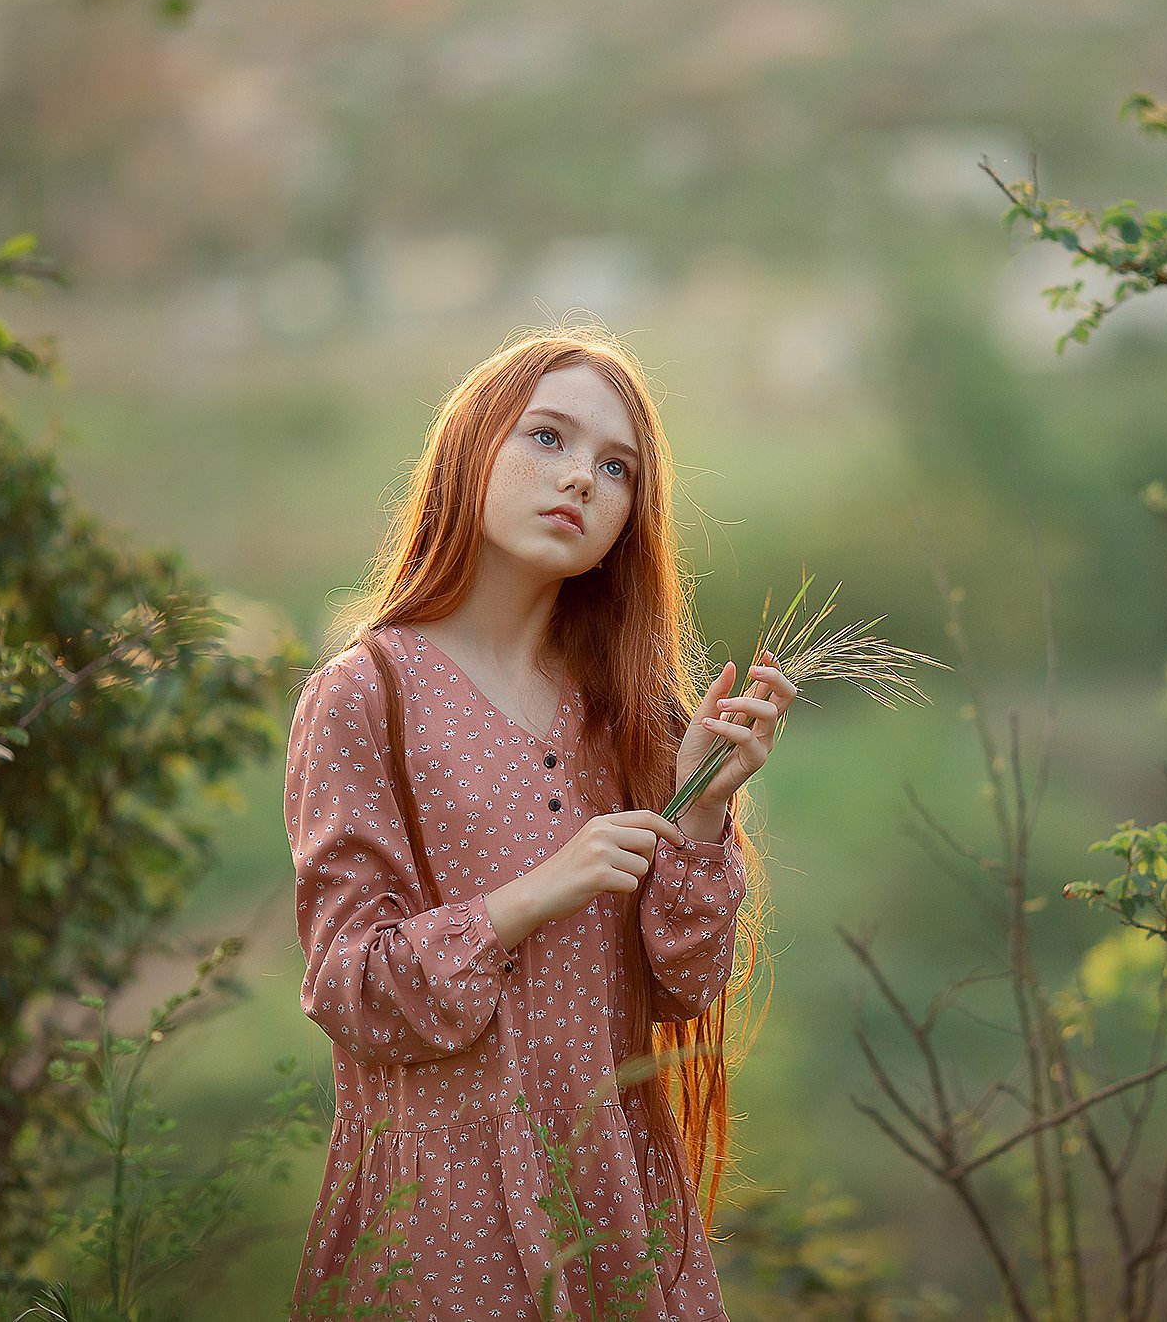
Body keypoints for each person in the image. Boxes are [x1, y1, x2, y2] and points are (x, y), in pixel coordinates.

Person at [283, 324, 793, 1320]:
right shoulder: (365, 693)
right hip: (443, 1220)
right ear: (473, 447)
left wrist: (705, 810)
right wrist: (531, 896)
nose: (582, 481)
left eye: (616, 468)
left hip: (618, 1211)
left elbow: (685, 989)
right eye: (547, 439)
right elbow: (349, 986)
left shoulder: (629, 712)